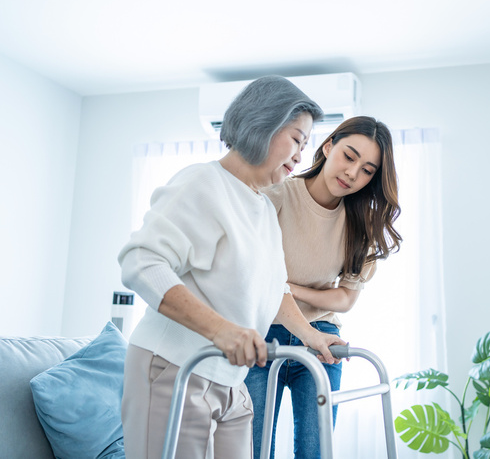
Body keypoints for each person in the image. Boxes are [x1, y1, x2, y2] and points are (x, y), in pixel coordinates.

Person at [118, 75, 345, 459]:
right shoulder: (203, 183)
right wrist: (222, 331)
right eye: (295, 138)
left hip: (230, 380)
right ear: (263, 122)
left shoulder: (261, 207)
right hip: (175, 367)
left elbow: (274, 291)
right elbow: (141, 262)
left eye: (305, 145)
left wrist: (311, 335)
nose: (300, 155)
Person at [245, 116, 402, 459]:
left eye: (367, 170)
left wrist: (289, 288)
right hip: (261, 334)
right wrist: (279, 290)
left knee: (315, 452)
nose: (352, 173)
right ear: (328, 146)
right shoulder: (277, 196)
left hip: (321, 339)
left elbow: (344, 298)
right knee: (253, 451)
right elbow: (252, 279)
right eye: (349, 156)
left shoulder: (363, 223)